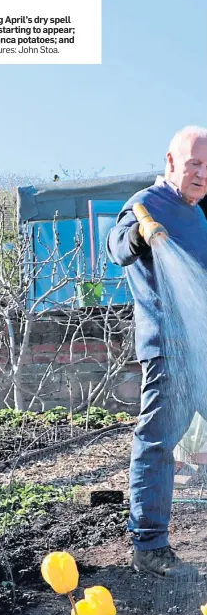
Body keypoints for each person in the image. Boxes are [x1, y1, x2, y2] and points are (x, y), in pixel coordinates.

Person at [107, 125, 207, 578]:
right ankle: (148, 546)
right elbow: (117, 243)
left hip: (204, 347)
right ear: (170, 162)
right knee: (158, 442)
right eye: (194, 164)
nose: (202, 174)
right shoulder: (147, 204)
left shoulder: (197, 214)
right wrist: (136, 238)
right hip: (170, 350)